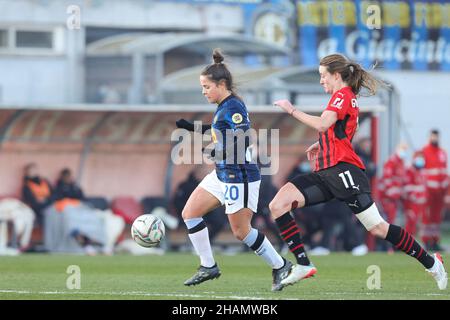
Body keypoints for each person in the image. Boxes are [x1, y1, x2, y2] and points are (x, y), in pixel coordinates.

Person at [270, 53, 447, 290]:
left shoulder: (342, 96)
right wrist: (321, 143)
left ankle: (431, 262)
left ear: (336, 75)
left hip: (345, 172)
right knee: (278, 204)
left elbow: (324, 124)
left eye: (323, 76)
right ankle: (303, 264)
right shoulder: (341, 97)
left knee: (377, 227)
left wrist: (291, 109)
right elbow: (337, 131)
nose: (321, 80)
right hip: (326, 171)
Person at [175, 49, 294, 291]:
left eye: (206, 86)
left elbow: (243, 139)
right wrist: (194, 128)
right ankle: (208, 266)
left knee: (241, 232)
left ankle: (280, 265)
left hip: (239, 176)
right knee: (190, 213)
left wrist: (218, 152)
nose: (203, 91)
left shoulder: (234, 106)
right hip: (222, 173)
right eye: (202, 87)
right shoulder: (224, 106)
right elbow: (221, 129)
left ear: (221, 84)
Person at [421, 129, 449, 251]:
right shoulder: (424, 152)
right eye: (433, 137)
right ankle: (427, 241)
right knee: (427, 217)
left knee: (437, 218)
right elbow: (421, 172)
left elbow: (444, 172)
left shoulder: (443, 153)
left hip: (440, 192)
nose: (435, 139)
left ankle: (435, 241)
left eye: (436, 137)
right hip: (428, 191)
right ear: (429, 137)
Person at [379, 143, 408, 224]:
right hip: (387, 196)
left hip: (395, 197)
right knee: (388, 218)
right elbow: (387, 179)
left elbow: (401, 180)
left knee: (392, 218)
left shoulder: (401, 162)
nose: (404, 152)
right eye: (402, 149)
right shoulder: (391, 161)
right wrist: (392, 193)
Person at [21, 163, 54, 227]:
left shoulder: (44, 181)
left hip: (49, 205)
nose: (32, 172)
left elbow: (53, 194)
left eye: (34, 170)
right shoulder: (26, 186)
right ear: (27, 173)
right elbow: (31, 200)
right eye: (30, 171)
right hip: (37, 210)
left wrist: (46, 200)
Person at [404, 152, 427, 237]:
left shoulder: (422, 172)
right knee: (410, 223)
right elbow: (408, 188)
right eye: (419, 158)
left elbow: (424, 188)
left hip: (421, 204)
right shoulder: (410, 171)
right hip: (411, 203)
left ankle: (414, 244)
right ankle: (406, 243)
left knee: (419, 225)